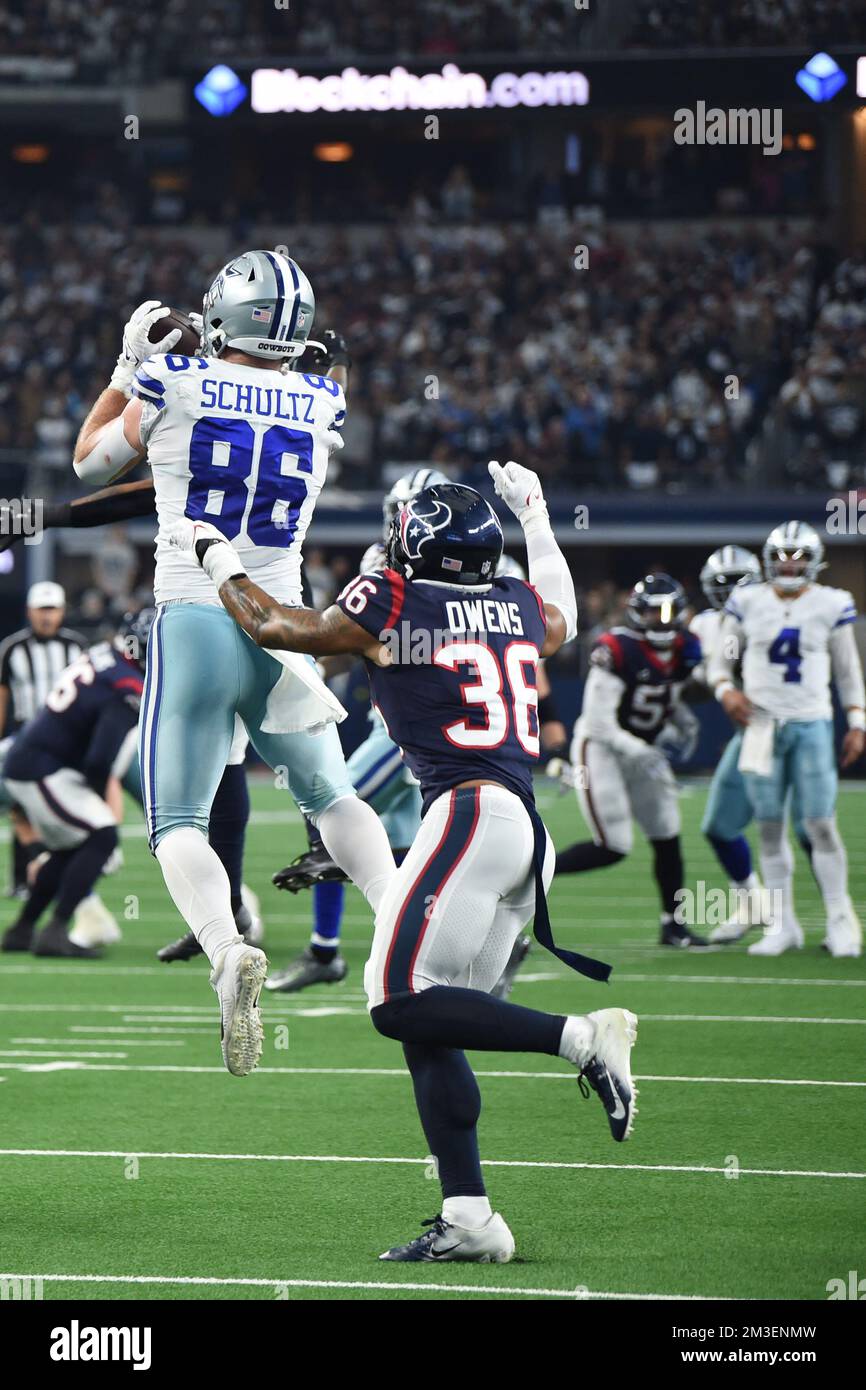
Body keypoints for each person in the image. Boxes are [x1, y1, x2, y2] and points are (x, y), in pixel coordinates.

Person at [170, 461, 638, 1265]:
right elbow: (558, 608)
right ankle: (471, 1218)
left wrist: (213, 553)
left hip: (470, 814)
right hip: (521, 830)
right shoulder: (517, 602)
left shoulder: (393, 596)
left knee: (396, 1001)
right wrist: (537, 512)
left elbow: (277, 629)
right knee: (434, 1020)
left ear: (414, 544)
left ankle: (583, 1038)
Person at [70, 255, 395, 1076]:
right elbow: (320, 364)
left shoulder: (171, 381)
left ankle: (224, 951)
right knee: (332, 795)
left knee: (176, 818)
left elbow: (88, 465)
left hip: (197, 613)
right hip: (285, 619)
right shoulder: (325, 398)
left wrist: (128, 365)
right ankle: (400, 923)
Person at [708, 520, 865, 957]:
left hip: (812, 721)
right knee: (770, 827)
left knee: (820, 823)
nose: (789, 563)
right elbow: (720, 664)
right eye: (782, 554)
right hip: (759, 724)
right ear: (768, 558)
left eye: (798, 555)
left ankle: (840, 920)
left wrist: (857, 721)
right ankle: (783, 926)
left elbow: (849, 670)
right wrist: (727, 692)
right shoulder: (747, 601)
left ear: (815, 561)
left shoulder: (833, 603)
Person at [555, 573, 706, 947]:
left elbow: (664, 692)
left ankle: (674, 925)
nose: (663, 620)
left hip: (642, 751)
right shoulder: (618, 648)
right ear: (638, 614)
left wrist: (683, 719)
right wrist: (645, 751)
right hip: (602, 750)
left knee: (667, 832)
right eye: (655, 613)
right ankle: (534, 871)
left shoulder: (687, 647)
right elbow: (602, 724)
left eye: (670, 613)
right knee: (613, 845)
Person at [1, 612, 150, 958]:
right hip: (42, 768)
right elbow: (100, 759)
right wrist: (97, 804)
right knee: (101, 836)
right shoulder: (127, 686)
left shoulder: (103, 655)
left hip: (33, 760)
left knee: (71, 848)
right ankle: (55, 930)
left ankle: (21, 930)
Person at [0, 581, 84, 895]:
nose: (46, 617)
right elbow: (3, 695)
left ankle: (52, 873)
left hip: (65, 741)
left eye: (52, 609)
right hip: (23, 738)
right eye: (41, 610)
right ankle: (23, 878)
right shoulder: (12, 648)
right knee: (20, 805)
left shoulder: (76, 647)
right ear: (29, 611)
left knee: (55, 811)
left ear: (62, 611)